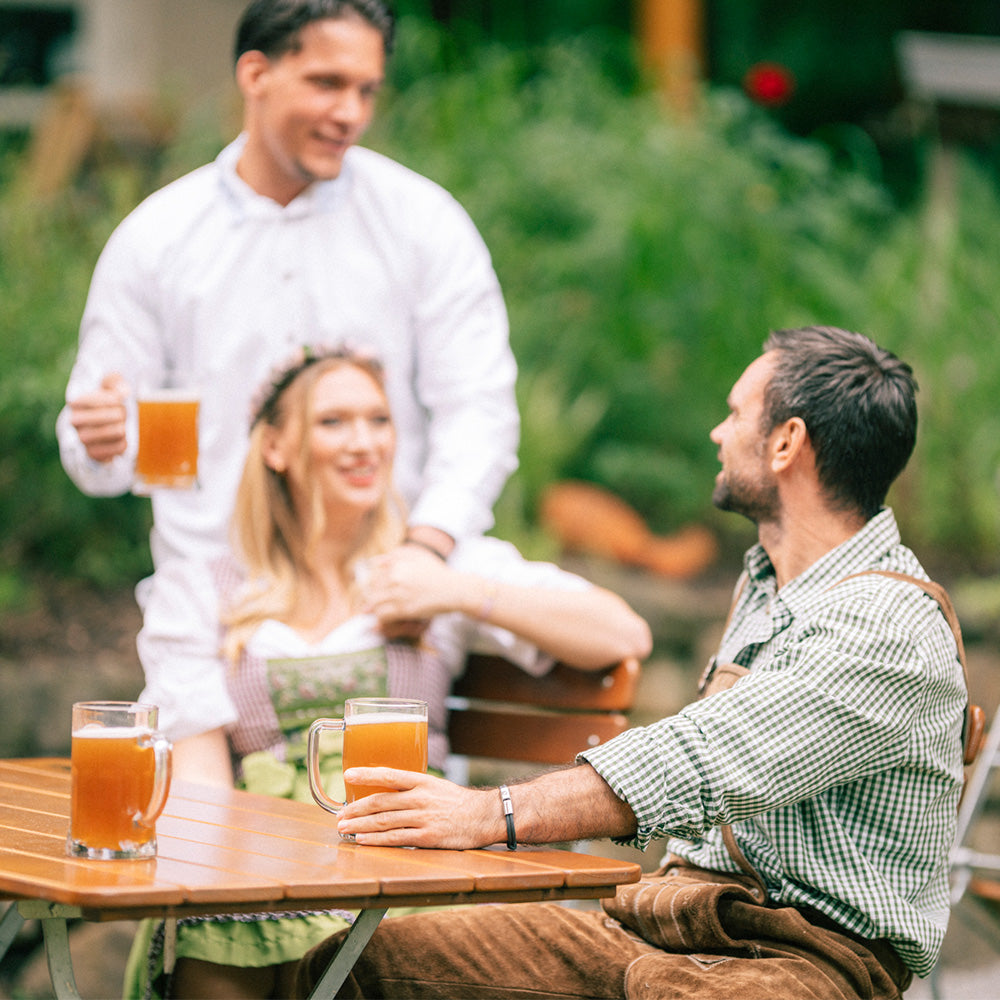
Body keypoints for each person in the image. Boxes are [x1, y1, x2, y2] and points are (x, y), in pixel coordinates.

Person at [293, 326, 970, 1000]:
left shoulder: (887, 627)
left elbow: (703, 757)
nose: (717, 432)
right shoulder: (769, 586)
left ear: (787, 443)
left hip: (804, 960)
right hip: (664, 925)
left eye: (735, 414)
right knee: (351, 967)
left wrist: (484, 813)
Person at [124, 345, 651, 999]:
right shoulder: (210, 590)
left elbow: (622, 633)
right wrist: (223, 875)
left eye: (379, 421)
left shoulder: (430, 571)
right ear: (276, 446)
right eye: (334, 422)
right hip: (263, 847)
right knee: (211, 932)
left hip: (406, 845)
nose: (364, 442)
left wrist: (457, 592)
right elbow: (202, 781)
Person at [55, 0, 519, 738]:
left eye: (366, 90)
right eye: (327, 83)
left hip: (378, 604)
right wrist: (101, 438)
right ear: (256, 73)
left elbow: (481, 411)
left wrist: (423, 553)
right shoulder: (156, 240)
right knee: (200, 834)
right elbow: (97, 449)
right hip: (208, 617)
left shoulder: (422, 223)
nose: (350, 112)